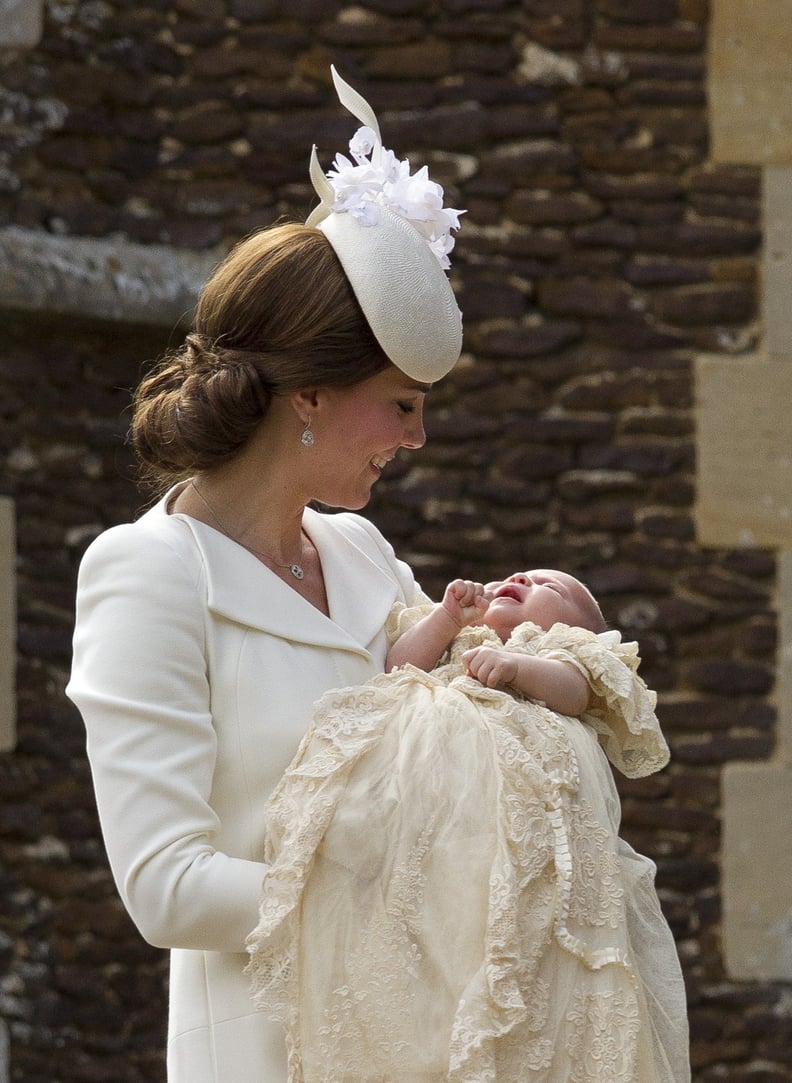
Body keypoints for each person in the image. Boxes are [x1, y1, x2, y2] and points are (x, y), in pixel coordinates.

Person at [66, 68, 464, 1083]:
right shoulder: (147, 575)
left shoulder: (361, 555)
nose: (417, 438)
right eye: (403, 405)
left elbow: (458, 722)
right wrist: (384, 877)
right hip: (263, 1051)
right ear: (313, 399)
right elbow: (166, 887)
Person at [246, 570, 691, 1083]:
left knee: (518, 934)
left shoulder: (559, 651)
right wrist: (446, 617)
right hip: (428, 814)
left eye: (554, 587)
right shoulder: (455, 637)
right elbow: (393, 667)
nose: (523, 576)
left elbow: (572, 692)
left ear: (579, 626)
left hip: (509, 818)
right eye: (516, 574)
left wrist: (517, 666)